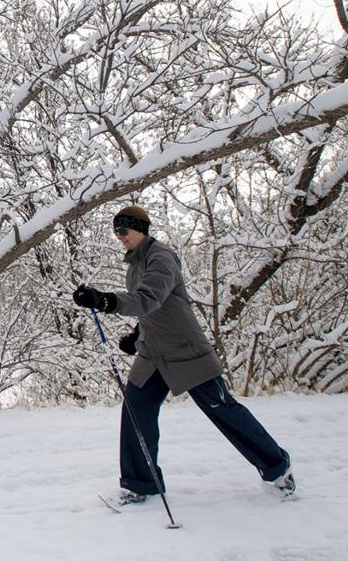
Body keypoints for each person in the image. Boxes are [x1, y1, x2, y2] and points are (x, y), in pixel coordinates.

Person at [72, 204, 295, 505]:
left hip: (186, 350)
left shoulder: (161, 258)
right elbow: (156, 308)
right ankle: (141, 485)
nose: (119, 236)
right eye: (115, 232)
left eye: (123, 230)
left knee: (223, 409)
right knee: (137, 408)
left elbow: (148, 298)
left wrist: (106, 301)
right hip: (153, 353)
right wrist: (137, 336)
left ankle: (277, 469)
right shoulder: (136, 264)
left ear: (141, 229)